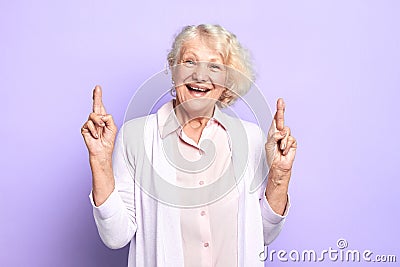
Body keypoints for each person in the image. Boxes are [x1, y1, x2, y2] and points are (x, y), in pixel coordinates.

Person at [81, 24, 297, 267]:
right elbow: (115, 237)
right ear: (173, 70)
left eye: (214, 66)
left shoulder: (251, 138)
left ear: (228, 80)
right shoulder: (136, 136)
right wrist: (100, 161)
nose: (200, 76)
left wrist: (280, 176)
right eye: (190, 62)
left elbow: (264, 235)